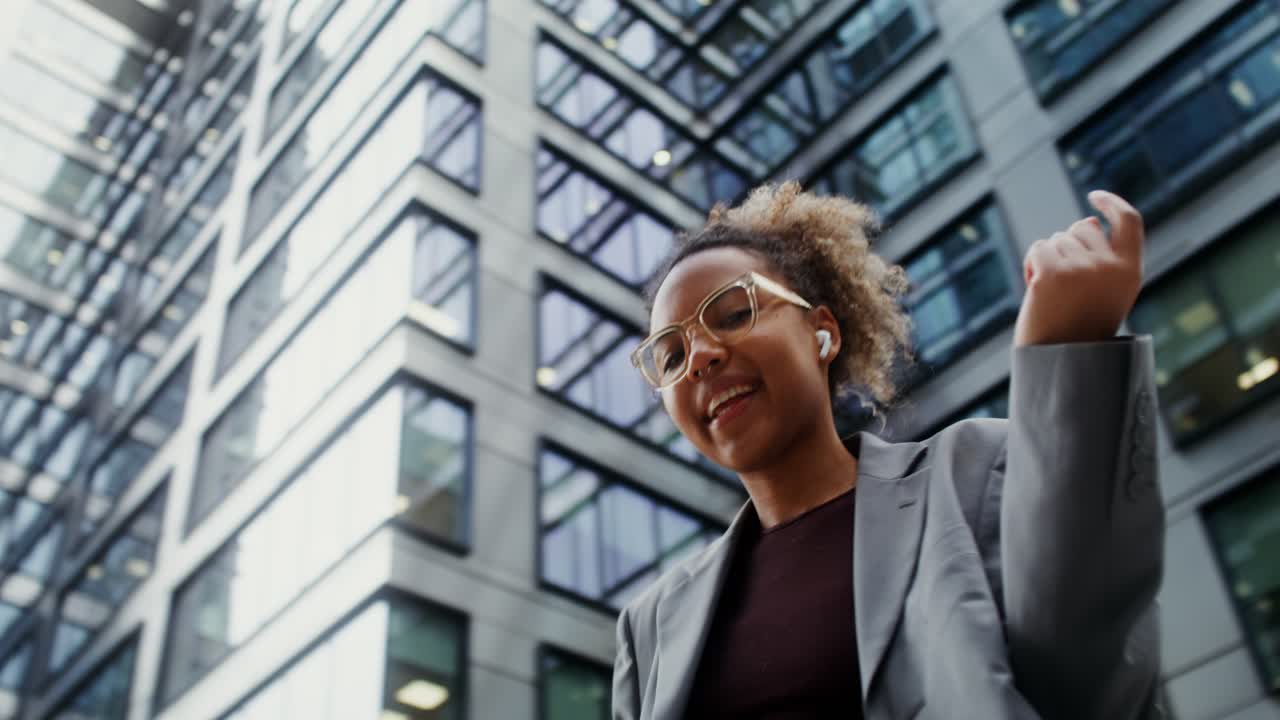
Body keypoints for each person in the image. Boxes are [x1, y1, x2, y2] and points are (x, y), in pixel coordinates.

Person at [611, 182, 1164, 719]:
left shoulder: (973, 475)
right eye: (671, 355)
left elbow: (1091, 678)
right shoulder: (648, 627)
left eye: (734, 313)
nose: (700, 357)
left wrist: (1068, 355)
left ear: (822, 331)